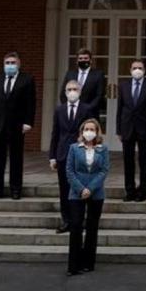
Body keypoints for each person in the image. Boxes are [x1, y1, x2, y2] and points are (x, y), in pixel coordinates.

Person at [0, 52, 37, 200]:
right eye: (7, 63)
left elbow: (31, 102)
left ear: (19, 64)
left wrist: (28, 122)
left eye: (13, 62)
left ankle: (15, 188)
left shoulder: (27, 80)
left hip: (17, 125)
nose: (10, 65)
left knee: (16, 158)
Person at [65, 118, 110, 276]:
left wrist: (90, 188)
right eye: (86, 129)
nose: (89, 132)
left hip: (96, 193)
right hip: (76, 193)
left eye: (92, 129)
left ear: (97, 132)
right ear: (82, 132)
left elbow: (104, 170)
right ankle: (74, 265)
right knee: (76, 226)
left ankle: (88, 263)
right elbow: (69, 171)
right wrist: (81, 189)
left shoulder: (103, 149)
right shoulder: (74, 148)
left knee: (92, 228)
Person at [49, 80, 92, 233]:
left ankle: (80, 220)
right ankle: (66, 220)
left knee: (81, 187)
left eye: (75, 89)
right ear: (65, 92)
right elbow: (55, 133)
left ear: (80, 92)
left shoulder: (87, 109)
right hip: (62, 155)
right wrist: (52, 156)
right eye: (69, 89)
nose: (72, 92)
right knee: (64, 189)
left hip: (81, 154)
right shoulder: (59, 110)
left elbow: (92, 132)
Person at [117, 60, 146, 202]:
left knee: (144, 161)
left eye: (140, 68)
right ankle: (129, 190)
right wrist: (119, 130)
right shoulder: (123, 85)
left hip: (145, 128)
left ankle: (143, 190)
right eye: (134, 68)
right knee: (128, 161)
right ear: (130, 70)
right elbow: (120, 108)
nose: (137, 70)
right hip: (127, 128)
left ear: (144, 70)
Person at [58, 48, 105, 119]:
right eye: (80, 58)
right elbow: (63, 93)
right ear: (77, 61)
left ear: (91, 60)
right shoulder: (70, 74)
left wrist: (87, 108)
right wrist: (69, 107)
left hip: (90, 114)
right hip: (72, 114)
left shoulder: (98, 75)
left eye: (86, 58)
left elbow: (99, 95)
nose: (83, 60)